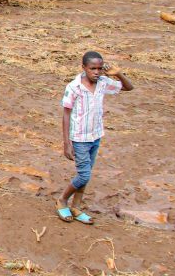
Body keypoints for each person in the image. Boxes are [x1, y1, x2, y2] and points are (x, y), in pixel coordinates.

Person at [56, 51, 134, 224]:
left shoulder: (103, 83)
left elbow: (129, 88)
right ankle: (62, 200)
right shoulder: (74, 87)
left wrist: (118, 73)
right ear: (84, 68)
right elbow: (66, 114)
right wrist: (66, 143)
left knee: (86, 174)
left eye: (99, 68)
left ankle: (76, 207)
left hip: (95, 135)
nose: (97, 72)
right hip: (79, 137)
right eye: (92, 69)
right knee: (83, 175)